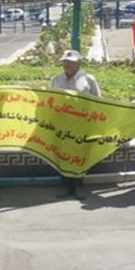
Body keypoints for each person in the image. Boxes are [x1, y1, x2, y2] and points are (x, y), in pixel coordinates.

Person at [50, 49, 101, 199]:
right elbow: (50, 100)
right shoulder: (55, 80)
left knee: (80, 156)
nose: (67, 65)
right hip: (62, 124)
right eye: (65, 62)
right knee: (63, 154)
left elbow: (97, 101)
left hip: (82, 124)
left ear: (78, 63)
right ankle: (65, 184)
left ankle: (78, 186)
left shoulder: (88, 79)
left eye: (71, 62)